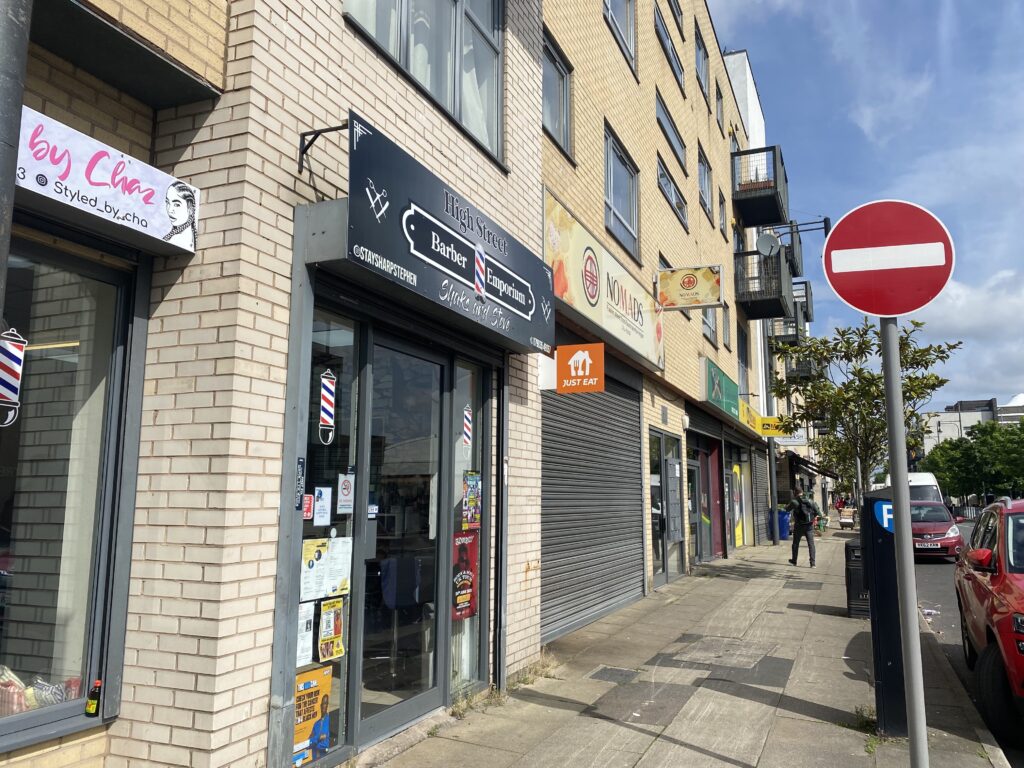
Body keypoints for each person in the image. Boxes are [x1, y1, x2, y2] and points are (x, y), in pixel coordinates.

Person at [787, 488, 820, 568]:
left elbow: (787, 509)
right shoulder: (810, 500)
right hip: (809, 526)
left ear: (795, 493)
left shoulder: (794, 501)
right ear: (802, 492)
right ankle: (813, 564)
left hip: (799, 526)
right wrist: (812, 519)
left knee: (795, 543)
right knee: (811, 544)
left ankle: (794, 561)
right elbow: (818, 512)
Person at [163, 181, 197, 250]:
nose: (170, 210)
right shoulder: (189, 237)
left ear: (190, 208)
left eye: (177, 204)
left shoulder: (176, 240)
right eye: (167, 202)